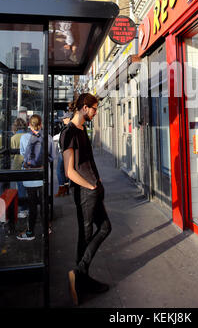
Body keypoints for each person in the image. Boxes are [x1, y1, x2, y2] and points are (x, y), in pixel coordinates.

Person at [60, 93, 111, 305]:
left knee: (104, 228)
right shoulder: (69, 132)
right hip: (85, 192)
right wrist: (90, 186)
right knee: (87, 234)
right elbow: (69, 171)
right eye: (94, 109)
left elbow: (88, 160)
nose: (95, 112)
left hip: (94, 189)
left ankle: (81, 276)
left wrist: (98, 181)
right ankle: (81, 276)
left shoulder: (82, 129)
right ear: (83, 107)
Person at [17, 114, 55, 241]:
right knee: (44, 203)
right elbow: (51, 157)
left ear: (29, 125)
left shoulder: (24, 138)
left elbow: (23, 154)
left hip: (29, 176)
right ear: (41, 124)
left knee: (32, 204)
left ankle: (30, 232)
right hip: (43, 175)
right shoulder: (48, 138)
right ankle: (46, 229)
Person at [10, 118, 28, 218]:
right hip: (28, 165)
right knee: (28, 188)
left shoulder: (13, 138)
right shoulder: (28, 136)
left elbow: (12, 155)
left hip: (17, 165)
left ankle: (23, 209)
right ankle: (29, 207)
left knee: (20, 188)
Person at [53, 112, 72, 197]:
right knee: (65, 170)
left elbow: (60, 137)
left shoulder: (68, 128)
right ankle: (66, 187)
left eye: (65, 118)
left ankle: (62, 188)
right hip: (67, 152)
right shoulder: (70, 127)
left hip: (63, 152)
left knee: (59, 170)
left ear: (69, 119)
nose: (63, 119)